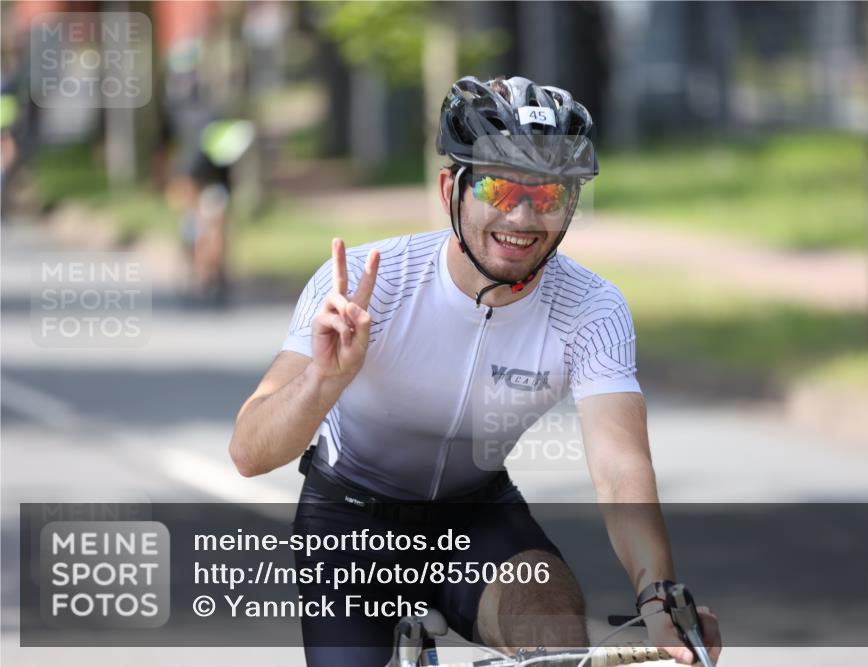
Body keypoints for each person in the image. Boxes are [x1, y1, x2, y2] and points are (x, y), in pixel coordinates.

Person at [229, 75, 722, 666]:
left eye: (549, 195)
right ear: (450, 189)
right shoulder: (368, 282)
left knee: (556, 633)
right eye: (499, 185)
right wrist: (323, 382)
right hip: (348, 520)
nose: (522, 215)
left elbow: (620, 467)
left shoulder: (592, 308)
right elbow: (248, 453)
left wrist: (657, 594)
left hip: (475, 518)